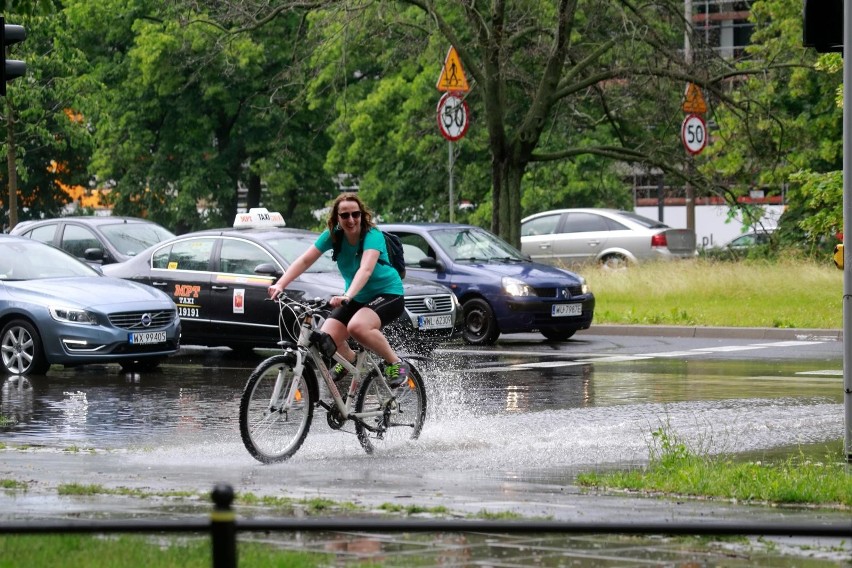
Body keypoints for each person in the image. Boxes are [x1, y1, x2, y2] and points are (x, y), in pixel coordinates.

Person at [267, 193, 410, 389]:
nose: (351, 220)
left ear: (362, 215)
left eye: (355, 214)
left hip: (387, 294)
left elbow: (365, 269)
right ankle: (350, 360)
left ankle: (395, 363)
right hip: (356, 296)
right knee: (326, 341)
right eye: (345, 215)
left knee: (357, 327)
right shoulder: (333, 235)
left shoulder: (372, 235)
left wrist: (347, 296)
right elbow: (305, 260)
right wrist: (281, 284)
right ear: (337, 218)